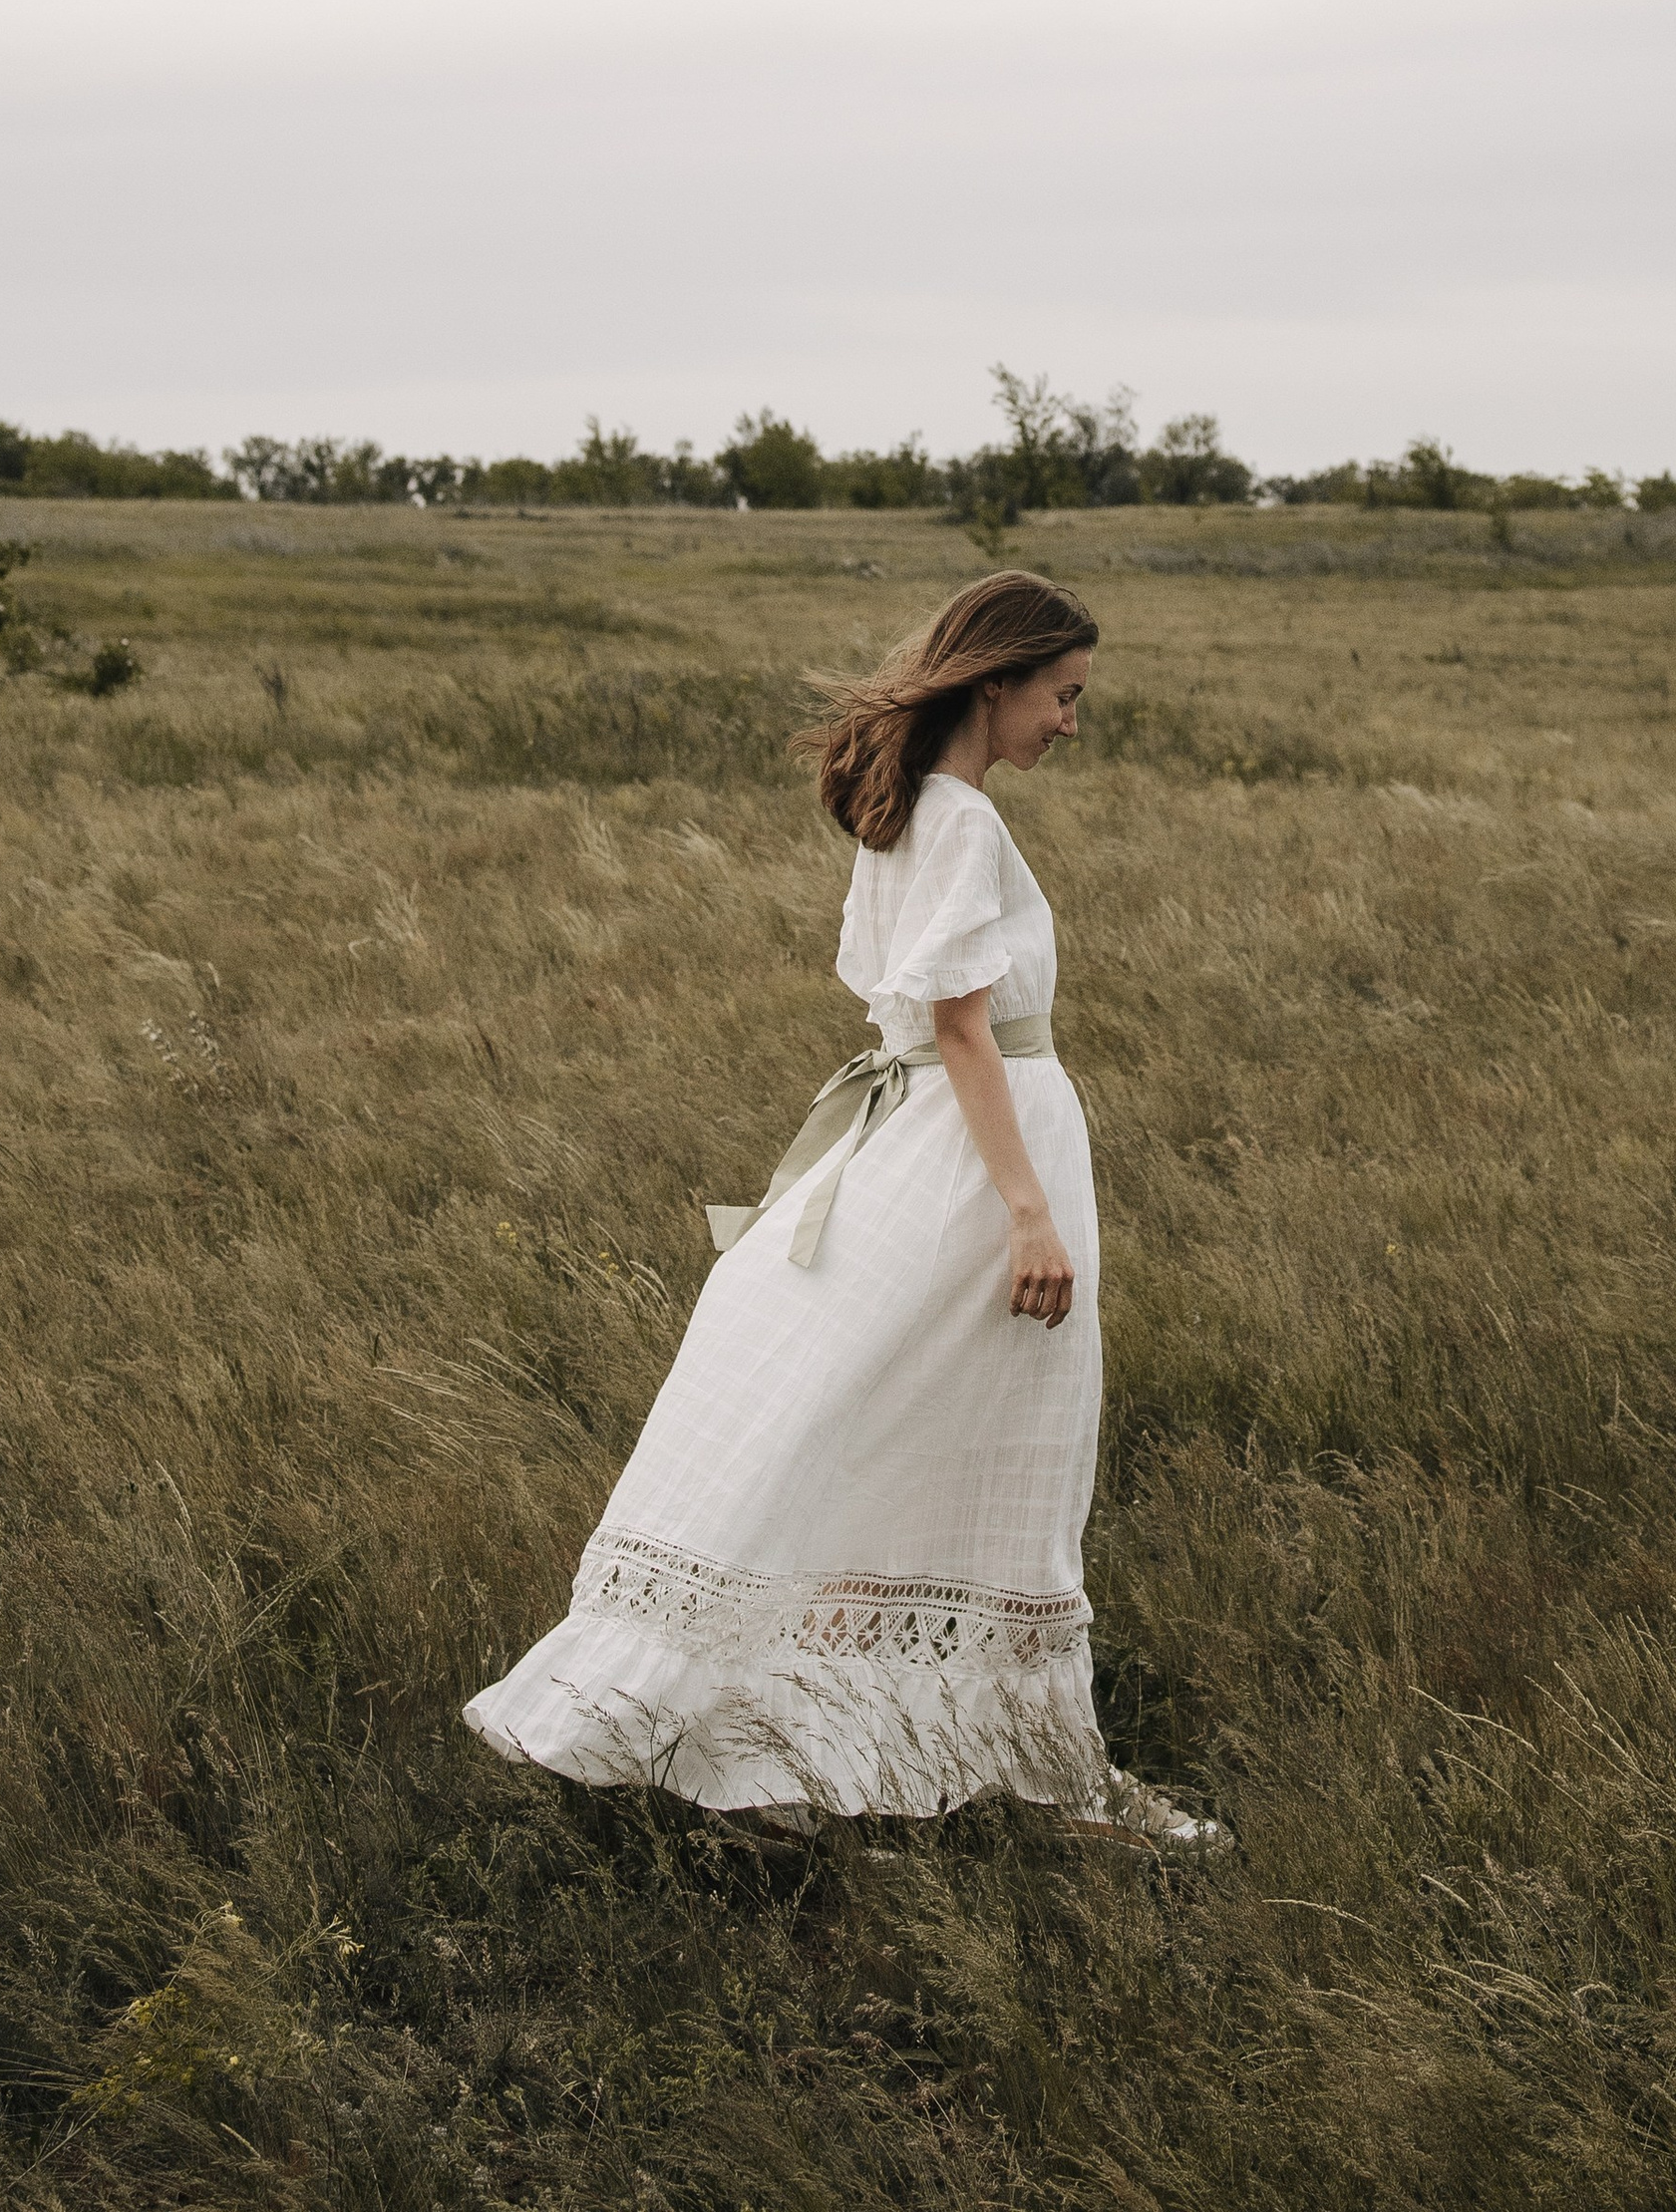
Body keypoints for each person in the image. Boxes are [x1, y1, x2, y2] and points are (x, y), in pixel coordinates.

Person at [464, 568, 1212, 1837]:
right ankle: (1030, 1776)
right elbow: (962, 1030)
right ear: (996, 682)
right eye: (1064, 695)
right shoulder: (961, 820)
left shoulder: (914, 806)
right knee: (1002, 1443)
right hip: (977, 1160)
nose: (1073, 723)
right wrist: (1027, 1212)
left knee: (919, 1428)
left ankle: (892, 1746)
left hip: (924, 1143)